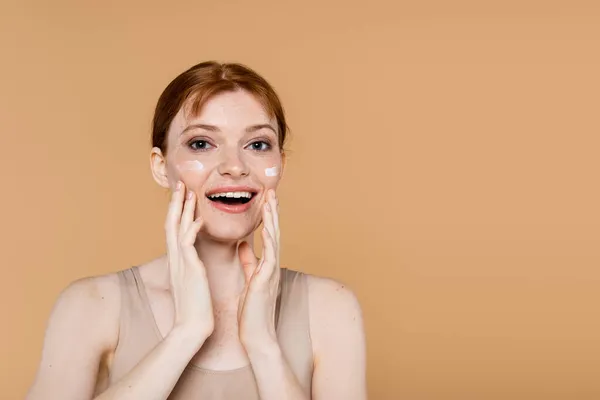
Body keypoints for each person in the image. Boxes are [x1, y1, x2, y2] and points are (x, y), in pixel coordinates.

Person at [26, 61, 367, 400]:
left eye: (258, 145)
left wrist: (264, 347)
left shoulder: (330, 308)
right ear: (161, 167)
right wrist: (185, 334)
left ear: (281, 165)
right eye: (202, 143)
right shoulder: (92, 306)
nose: (234, 167)